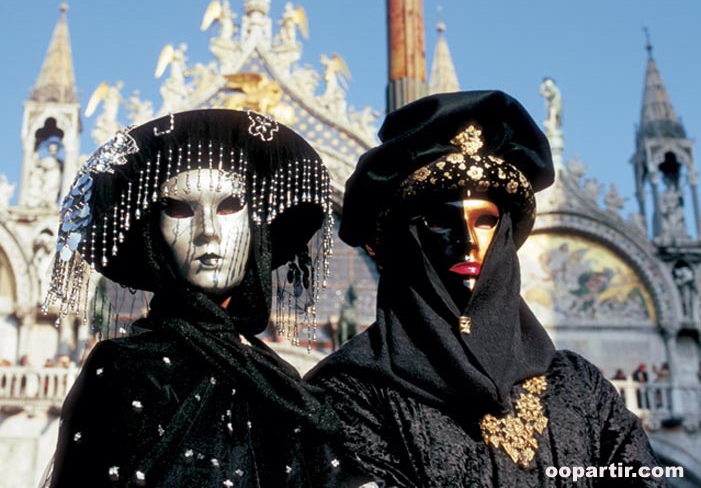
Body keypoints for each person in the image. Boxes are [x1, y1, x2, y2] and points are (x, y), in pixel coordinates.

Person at [307, 91, 664, 487]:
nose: (467, 241)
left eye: (486, 221)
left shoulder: (579, 388)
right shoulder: (352, 395)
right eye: (441, 221)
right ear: (407, 240)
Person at [44, 109, 374, 487]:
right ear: (154, 236)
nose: (208, 232)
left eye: (230, 205)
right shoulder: (124, 370)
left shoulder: (281, 382)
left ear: (257, 230)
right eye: (181, 209)